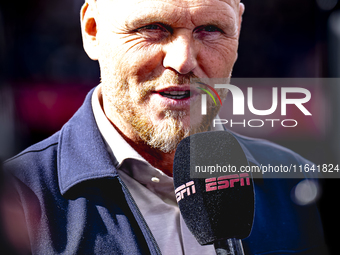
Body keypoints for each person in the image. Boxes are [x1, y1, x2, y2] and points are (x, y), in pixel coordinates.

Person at [1, 0, 328, 254]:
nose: (183, 60)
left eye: (211, 28)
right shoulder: (17, 197)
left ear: (238, 28)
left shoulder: (296, 182)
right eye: (153, 27)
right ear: (92, 30)